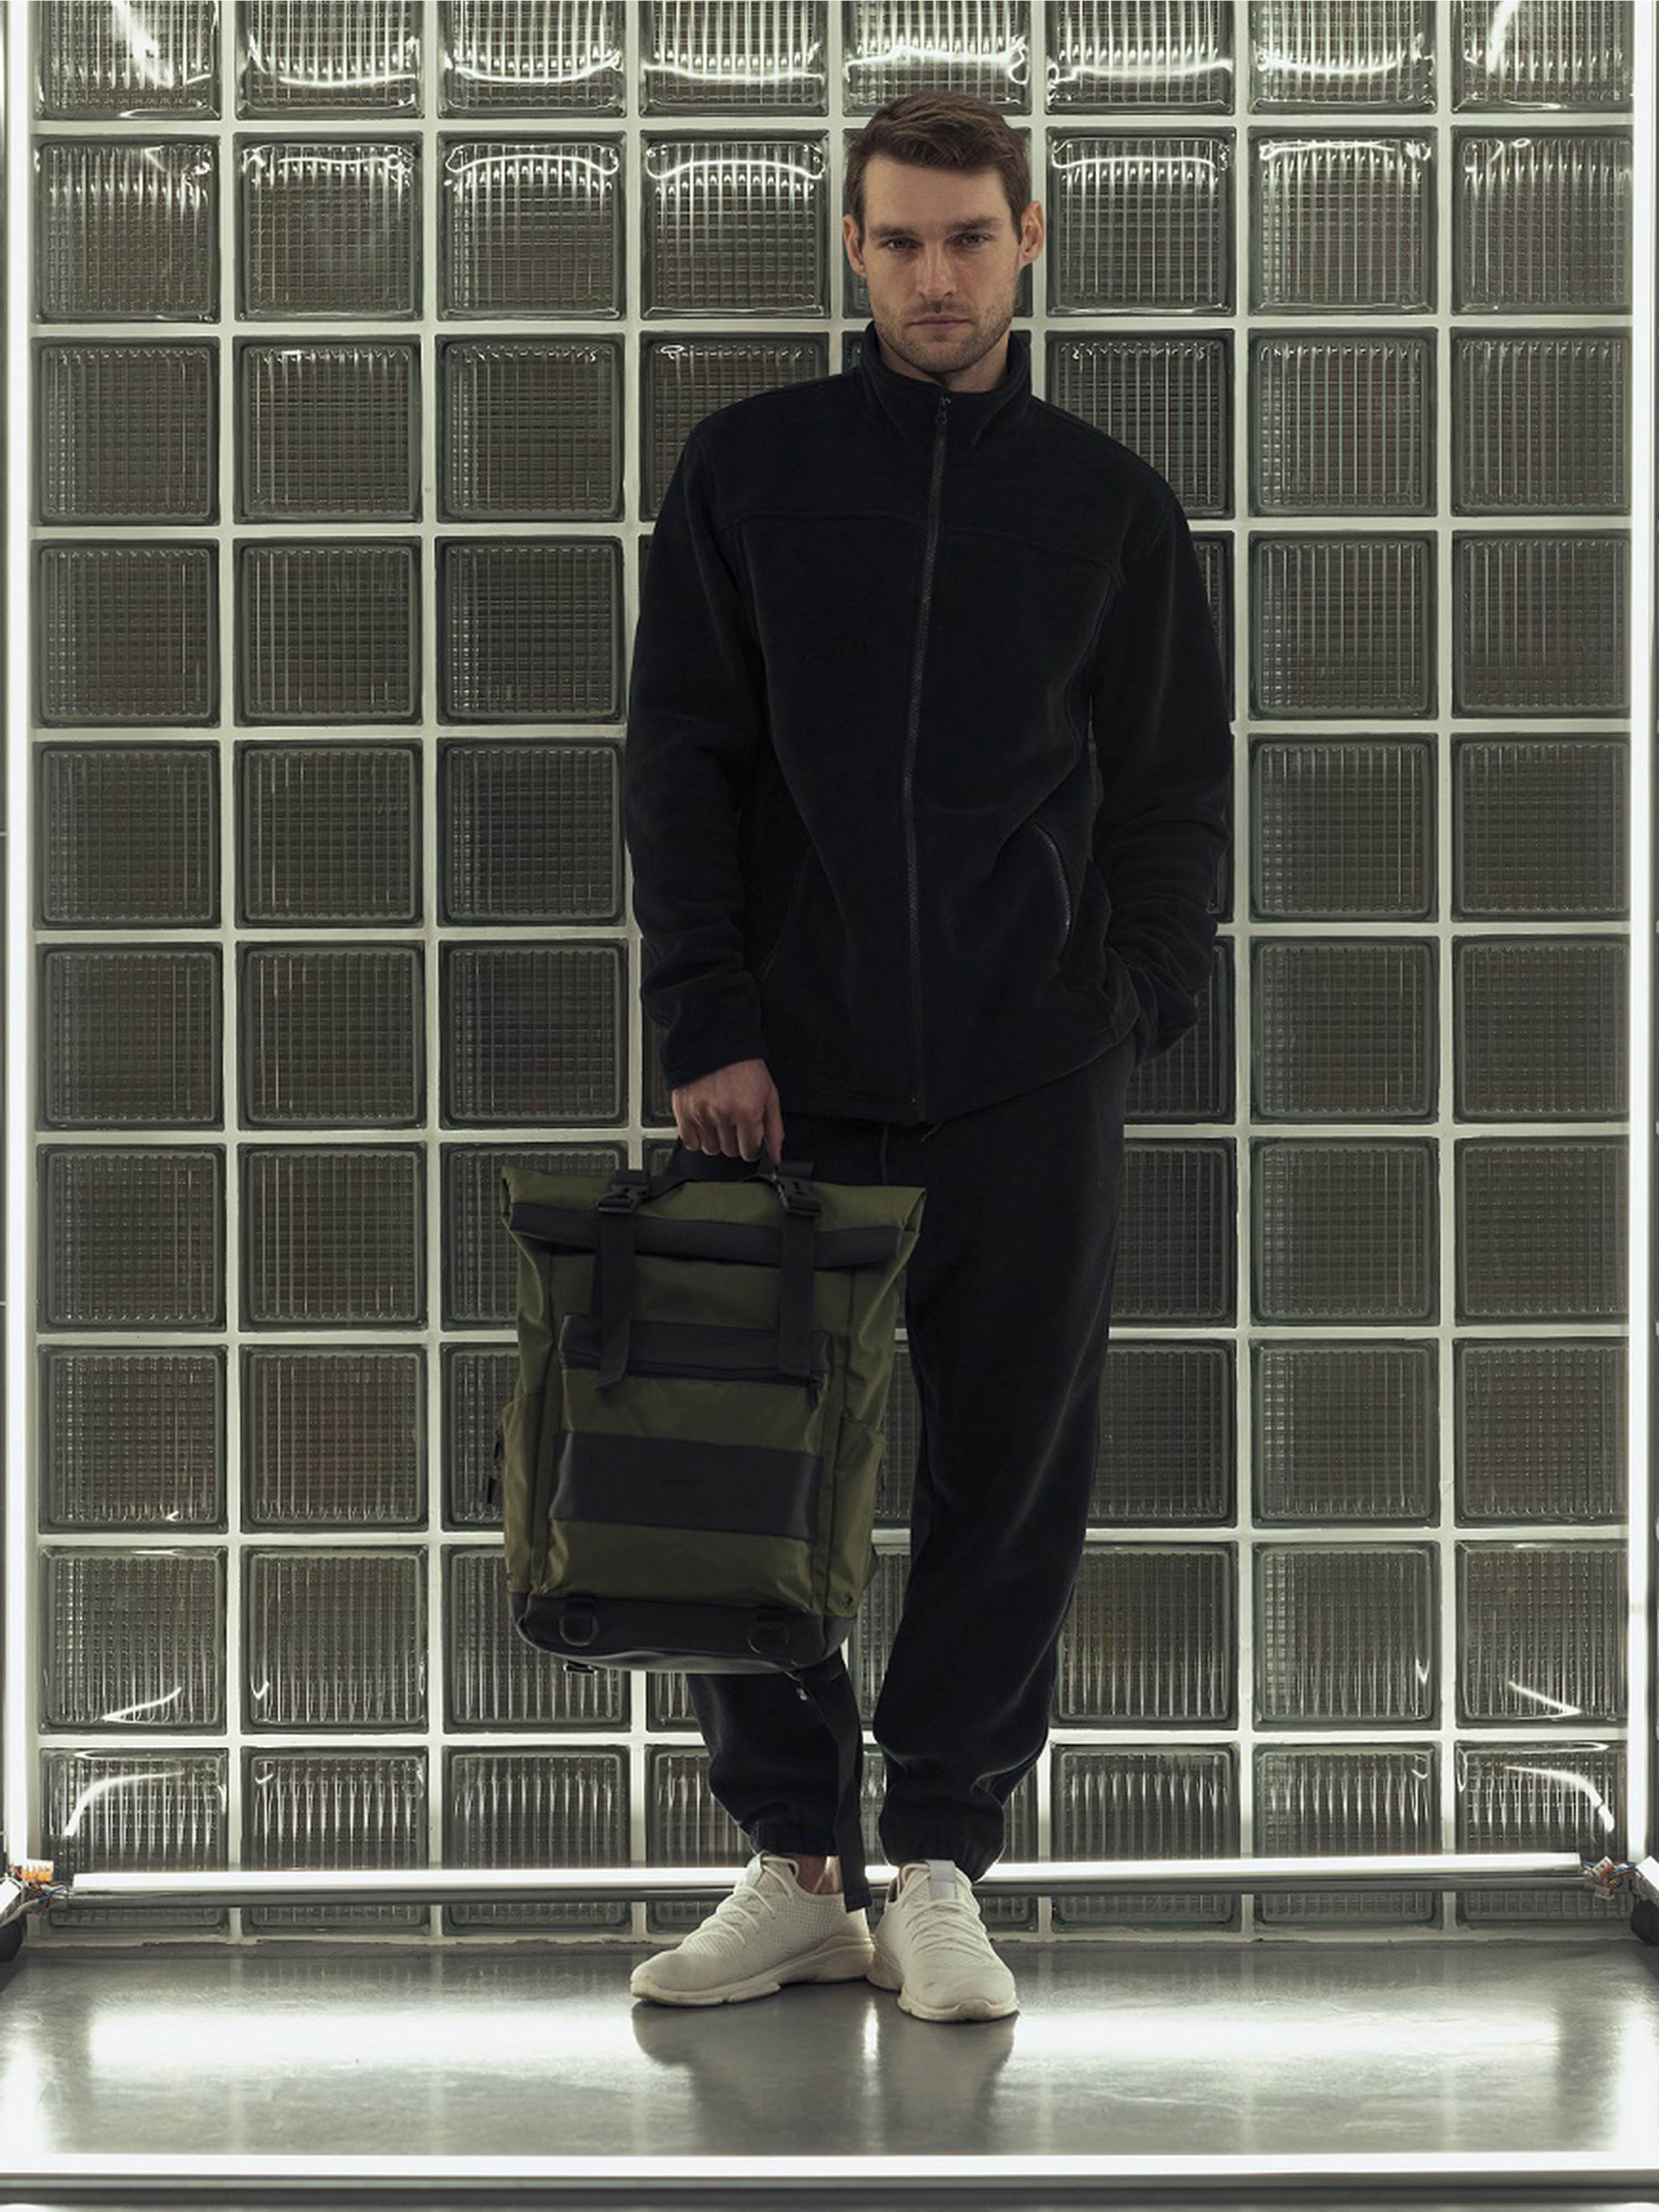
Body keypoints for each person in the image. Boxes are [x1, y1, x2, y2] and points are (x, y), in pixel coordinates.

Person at [619, 90, 1231, 2023]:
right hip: (777, 1080)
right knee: (742, 1469)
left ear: (1027, 239)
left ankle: (943, 1860)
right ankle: (799, 1868)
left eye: (967, 237)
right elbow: (678, 764)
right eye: (896, 241)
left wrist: (1127, 999)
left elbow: (1171, 789)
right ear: (853, 249)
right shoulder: (750, 472)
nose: (933, 276)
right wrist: (707, 1019)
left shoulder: (1106, 505)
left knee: (1007, 1478)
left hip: (1025, 1072)